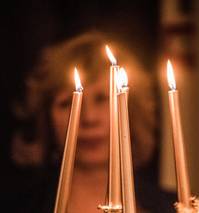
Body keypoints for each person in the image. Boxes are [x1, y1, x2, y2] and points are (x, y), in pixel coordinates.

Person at [9, 31, 176, 213]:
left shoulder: (176, 207)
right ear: (45, 118)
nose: (89, 118)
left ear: (130, 110)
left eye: (103, 98)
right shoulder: (17, 206)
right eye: (68, 103)